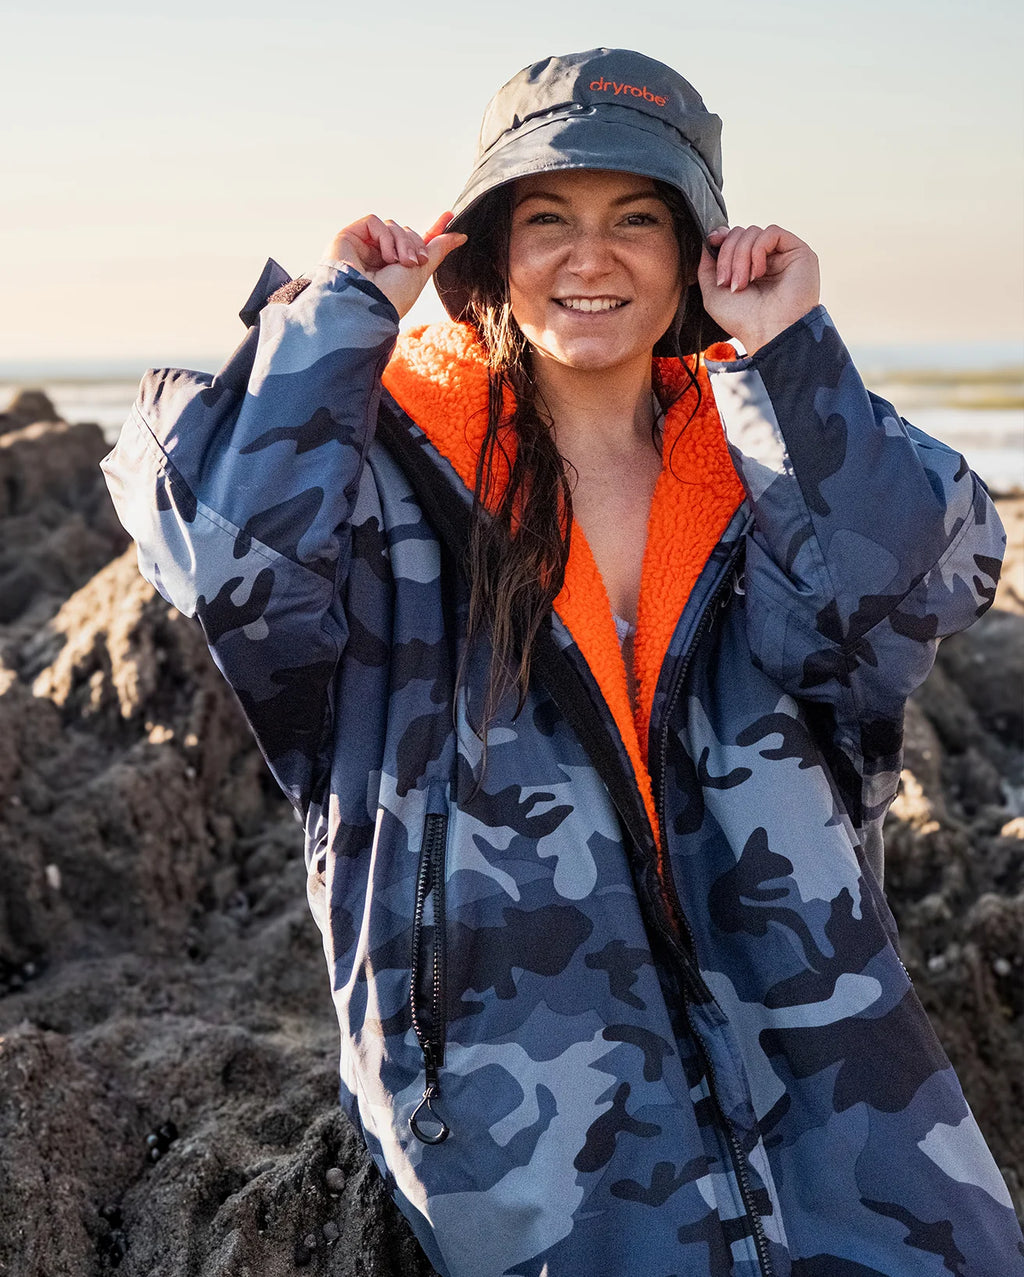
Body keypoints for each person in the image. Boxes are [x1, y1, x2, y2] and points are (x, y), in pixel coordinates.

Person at [102, 47, 1023, 1277]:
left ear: (697, 245)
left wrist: (790, 355)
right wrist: (338, 320)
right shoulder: (380, 481)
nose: (591, 257)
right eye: (548, 218)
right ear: (484, 245)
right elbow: (222, 555)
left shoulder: (761, 470)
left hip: (842, 1099)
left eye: (636, 216)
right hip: (532, 1149)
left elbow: (926, 572)